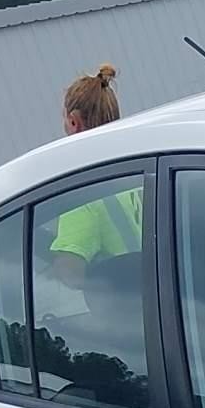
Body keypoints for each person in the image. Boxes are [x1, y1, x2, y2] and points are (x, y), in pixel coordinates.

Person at [46, 64, 141, 284]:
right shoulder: (140, 161)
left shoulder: (86, 187)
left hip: (130, 303)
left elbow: (70, 272)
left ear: (73, 121)